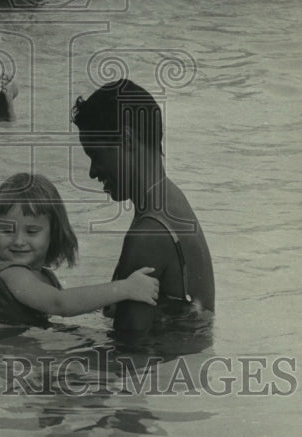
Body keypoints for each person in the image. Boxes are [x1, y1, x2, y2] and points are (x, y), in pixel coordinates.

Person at [72, 80, 215, 335]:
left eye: (95, 155)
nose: (93, 172)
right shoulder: (170, 199)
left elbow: (128, 357)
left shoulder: (149, 233)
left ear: (126, 139)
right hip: (181, 368)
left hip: (160, 373)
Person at [0, 173, 159, 329]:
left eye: (31, 231)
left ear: (53, 234)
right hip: (2, 358)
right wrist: (126, 288)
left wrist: (107, 304)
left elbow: (71, 304)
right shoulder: (11, 273)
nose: (19, 241)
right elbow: (61, 304)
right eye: (7, 231)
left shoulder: (45, 277)